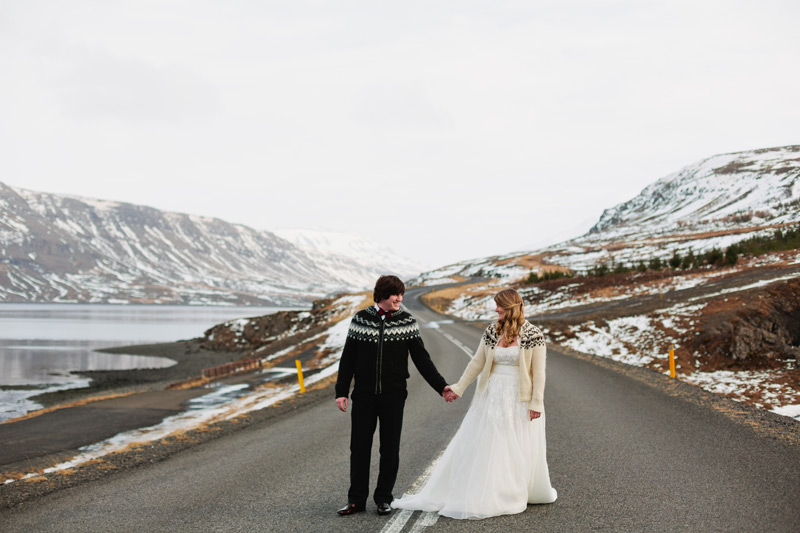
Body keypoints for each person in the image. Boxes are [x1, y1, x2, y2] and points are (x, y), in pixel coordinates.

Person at [393, 288, 557, 519]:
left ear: (510, 306)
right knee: (493, 442)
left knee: (516, 444)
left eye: (499, 305)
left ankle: (516, 489)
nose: (495, 309)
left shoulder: (533, 335)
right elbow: (477, 362)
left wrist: (536, 403)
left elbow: (538, 373)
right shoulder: (492, 331)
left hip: (519, 398)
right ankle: (493, 492)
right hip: (491, 395)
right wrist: (458, 388)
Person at [335, 275, 457, 517]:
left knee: (389, 449)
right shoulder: (360, 320)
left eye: (401, 294)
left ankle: (383, 499)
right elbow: (348, 358)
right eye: (394, 294)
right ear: (381, 295)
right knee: (359, 448)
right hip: (364, 396)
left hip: (393, 396)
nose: (399, 298)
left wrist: (441, 386)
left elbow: (422, 359)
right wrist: (341, 392)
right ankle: (356, 500)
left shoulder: (407, 322)